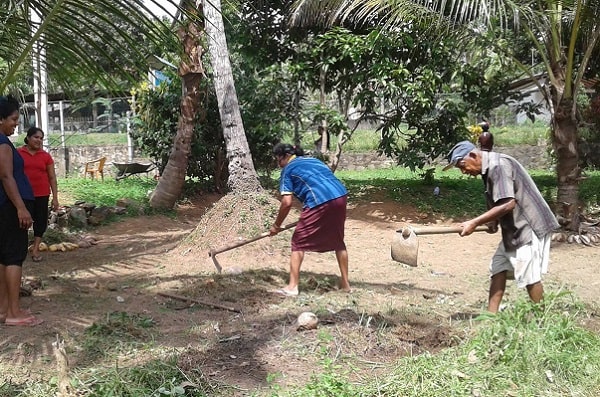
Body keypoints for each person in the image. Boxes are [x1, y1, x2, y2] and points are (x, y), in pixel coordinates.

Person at [444, 140, 559, 313]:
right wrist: (493, 221)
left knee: (529, 276)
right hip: (513, 229)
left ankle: (543, 321)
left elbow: (508, 203)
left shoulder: (498, 166)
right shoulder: (489, 168)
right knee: (498, 267)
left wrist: (474, 222)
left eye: (462, 165)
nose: (463, 171)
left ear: (473, 155)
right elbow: (501, 200)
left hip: (528, 226)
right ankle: (491, 316)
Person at [269, 143, 350, 297]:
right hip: (340, 196)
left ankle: (292, 287)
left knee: (298, 242)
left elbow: (286, 203)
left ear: (284, 156)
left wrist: (276, 225)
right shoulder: (314, 161)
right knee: (338, 241)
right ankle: (345, 285)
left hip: (319, 200)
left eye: (278, 160)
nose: (278, 164)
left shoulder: (288, 170)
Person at [0, 95, 41, 326]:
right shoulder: (3, 144)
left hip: (3, 207)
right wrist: (21, 208)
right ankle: (14, 312)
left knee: (3, 257)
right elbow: (6, 176)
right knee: (14, 256)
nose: (16, 123)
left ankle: (4, 309)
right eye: (13, 119)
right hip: (8, 207)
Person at [18, 127, 59, 262]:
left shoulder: (45, 156)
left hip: (42, 194)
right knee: (22, 223)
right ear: (28, 138)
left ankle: (35, 250)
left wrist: (55, 198)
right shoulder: (18, 153)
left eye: (41, 138)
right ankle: (20, 250)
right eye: (36, 137)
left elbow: (52, 177)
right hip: (24, 195)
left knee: (40, 223)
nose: (39, 140)